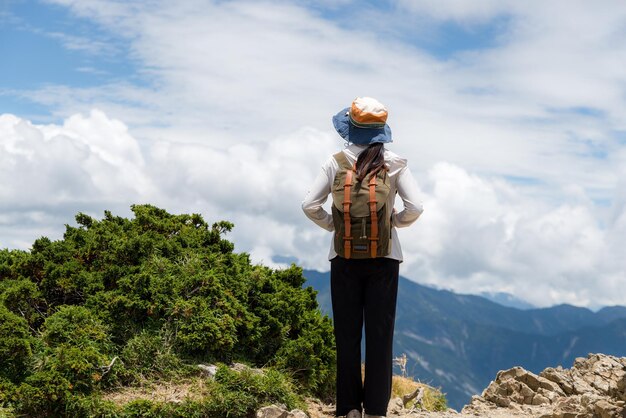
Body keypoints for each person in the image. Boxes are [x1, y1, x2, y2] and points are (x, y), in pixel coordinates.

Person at [302, 97, 423, 418]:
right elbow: (416, 208)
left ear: (350, 128)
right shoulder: (395, 163)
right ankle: (375, 411)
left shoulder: (334, 162)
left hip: (342, 257)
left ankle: (348, 408)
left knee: (347, 335)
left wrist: (335, 225)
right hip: (385, 257)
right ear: (381, 131)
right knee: (380, 337)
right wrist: (392, 223)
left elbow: (309, 205)